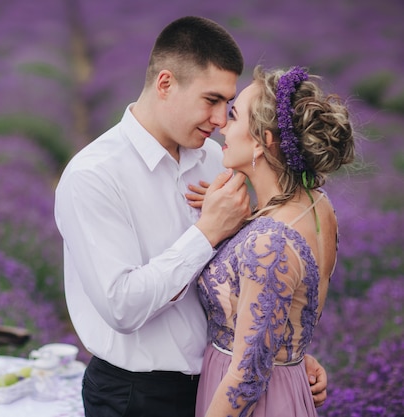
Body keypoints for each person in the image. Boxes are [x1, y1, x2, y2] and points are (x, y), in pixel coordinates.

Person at [54, 16, 327, 417]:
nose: (220, 121)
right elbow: (122, 307)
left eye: (228, 106)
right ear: (165, 84)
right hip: (137, 395)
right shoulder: (93, 176)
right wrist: (207, 232)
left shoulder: (217, 160)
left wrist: (283, 349)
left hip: (221, 385)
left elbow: (246, 280)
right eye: (211, 100)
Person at [192, 65, 355, 417]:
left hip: (252, 404)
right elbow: (294, 311)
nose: (222, 123)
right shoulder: (317, 205)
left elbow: (247, 376)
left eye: (233, 116)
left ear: (264, 140)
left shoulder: (270, 242)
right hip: (286, 384)